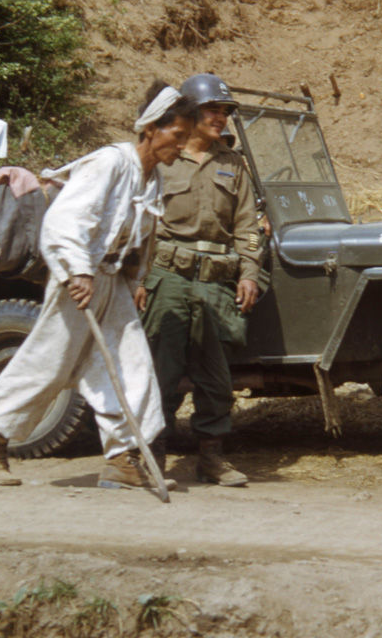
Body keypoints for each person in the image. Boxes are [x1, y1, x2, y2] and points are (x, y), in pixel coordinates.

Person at [0, 80, 195, 491]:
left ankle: (124, 460)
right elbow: (65, 220)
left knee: (133, 367)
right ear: (151, 129)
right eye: (177, 136)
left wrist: (136, 278)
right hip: (82, 276)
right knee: (49, 364)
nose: (181, 146)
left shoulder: (152, 179)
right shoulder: (111, 163)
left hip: (112, 282)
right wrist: (77, 271)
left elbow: (141, 237)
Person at [136, 73, 263, 487]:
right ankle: (151, 458)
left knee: (215, 377)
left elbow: (246, 226)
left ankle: (211, 459)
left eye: (225, 112)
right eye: (213, 110)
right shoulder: (162, 158)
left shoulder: (232, 164)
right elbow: (141, 224)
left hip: (215, 282)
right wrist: (139, 278)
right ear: (188, 113)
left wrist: (248, 273)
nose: (221, 118)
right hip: (168, 277)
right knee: (161, 371)